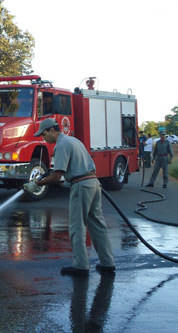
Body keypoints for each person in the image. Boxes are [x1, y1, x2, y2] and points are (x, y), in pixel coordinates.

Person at [23, 118, 115, 276]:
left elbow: (57, 175)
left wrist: (37, 183)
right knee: (97, 224)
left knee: (76, 226)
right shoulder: (74, 141)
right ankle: (107, 262)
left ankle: (80, 265)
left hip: (81, 185)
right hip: (93, 183)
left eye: (44, 134)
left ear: (52, 130)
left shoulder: (61, 145)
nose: (43, 139)